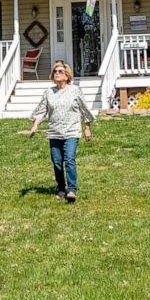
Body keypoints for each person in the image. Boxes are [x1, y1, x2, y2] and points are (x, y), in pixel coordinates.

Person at [27, 60, 94, 202]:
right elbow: (41, 110)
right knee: (57, 162)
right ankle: (61, 187)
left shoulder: (75, 90)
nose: (57, 74)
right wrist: (35, 125)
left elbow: (84, 110)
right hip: (54, 132)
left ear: (67, 75)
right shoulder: (49, 92)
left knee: (69, 159)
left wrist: (87, 128)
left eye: (60, 71)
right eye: (55, 71)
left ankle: (72, 189)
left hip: (72, 131)